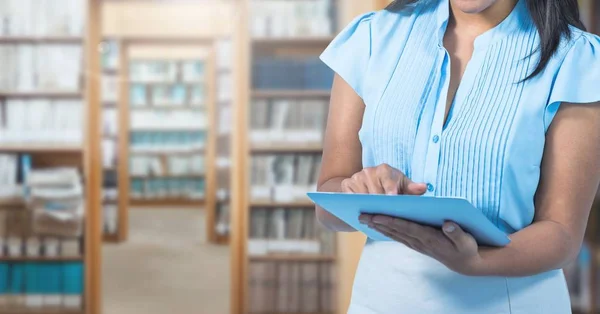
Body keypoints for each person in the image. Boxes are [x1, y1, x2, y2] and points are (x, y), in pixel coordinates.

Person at [316, 0, 600, 313]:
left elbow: (562, 232)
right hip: (382, 300)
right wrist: (358, 190)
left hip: (510, 302)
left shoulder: (575, 59)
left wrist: (478, 261)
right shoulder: (373, 37)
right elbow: (327, 207)